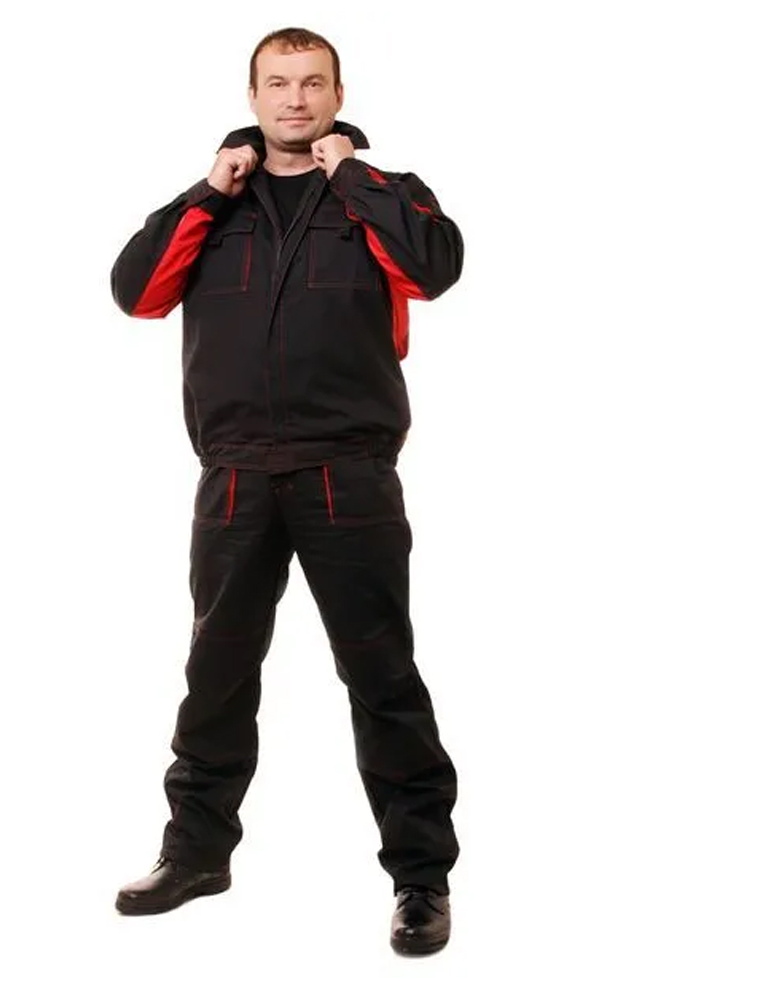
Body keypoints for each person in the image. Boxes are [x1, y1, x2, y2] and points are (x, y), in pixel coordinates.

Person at [109, 26, 464, 956]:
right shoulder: (213, 204)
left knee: (382, 677)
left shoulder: (385, 194)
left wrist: (355, 179)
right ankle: (195, 854)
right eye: (278, 83)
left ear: (338, 95)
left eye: (312, 83)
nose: (295, 99)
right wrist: (206, 190)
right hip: (233, 475)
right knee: (215, 676)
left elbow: (433, 269)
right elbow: (136, 293)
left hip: (349, 473)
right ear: (254, 95)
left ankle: (421, 879)